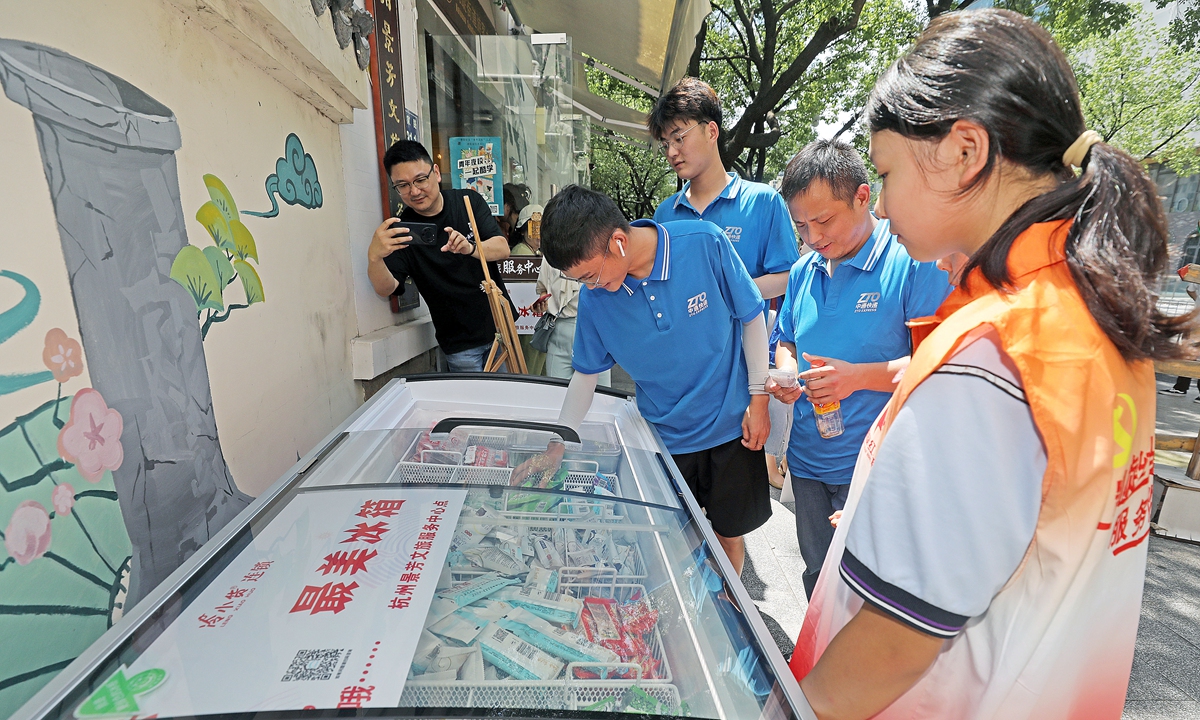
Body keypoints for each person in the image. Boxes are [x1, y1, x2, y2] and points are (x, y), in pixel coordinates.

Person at [782, 10, 1192, 719]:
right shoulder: (1086, 311)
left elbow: (894, 645)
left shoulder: (992, 352)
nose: (879, 202)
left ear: (965, 151)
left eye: (884, 173)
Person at [536, 185, 772, 575]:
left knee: (729, 535)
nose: (589, 287)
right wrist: (558, 442)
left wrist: (759, 399)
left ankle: (731, 610)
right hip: (666, 440)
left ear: (618, 241)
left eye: (591, 275)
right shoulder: (597, 300)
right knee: (673, 540)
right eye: (581, 281)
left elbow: (751, 316)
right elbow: (586, 375)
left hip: (731, 428)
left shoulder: (703, 243)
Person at [769, 139, 952, 599]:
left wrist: (857, 377)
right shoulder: (803, 271)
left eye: (824, 221)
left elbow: (941, 364)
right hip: (809, 459)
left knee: (869, 587)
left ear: (863, 196)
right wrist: (787, 371)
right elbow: (786, 337)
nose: (812, 237)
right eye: (801, 226)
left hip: (874, 465)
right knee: (816, 572)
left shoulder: (912, 261)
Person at [648, 77, 801, 488]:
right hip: (684, 392)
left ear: (711, 130)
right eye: (665, 143)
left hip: (742, 387)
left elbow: (790, 275)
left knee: (731, 526)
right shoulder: (666, 214)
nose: (672, 152)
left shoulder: (762, 201)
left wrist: (729, 294)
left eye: (679, 137)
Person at [366, 140, 515, 372]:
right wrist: (374, 257)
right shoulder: (402, 231)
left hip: (501, 329)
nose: (414, 191)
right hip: (459, 345)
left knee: (511, 404)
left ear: (435, 173)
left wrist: (471, 248)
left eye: (420, 180)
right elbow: (387, 288)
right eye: (402, 185)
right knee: (473, 407)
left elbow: (502, 248)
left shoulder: (468, 202)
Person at [533, 254, 611, 387]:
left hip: (594, 330)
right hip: (560, 330)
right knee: (558, 395)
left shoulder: (598, 248)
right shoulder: (551, 252)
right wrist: (542, 304)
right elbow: (543, 289)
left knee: (601, 396)